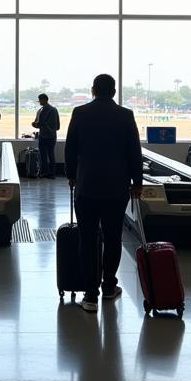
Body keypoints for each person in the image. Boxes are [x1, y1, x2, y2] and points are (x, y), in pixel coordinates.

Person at [64, 73, 144, 314]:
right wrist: (137, 182)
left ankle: (90, 294)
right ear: (114, 91)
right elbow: (134, 152)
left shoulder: (80, 113)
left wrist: (71, 176)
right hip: (116, 188)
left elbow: (70, 148)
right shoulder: (125, 115)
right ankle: (109, 284)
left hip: (87, 187)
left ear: (92, 90)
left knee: (87, 239)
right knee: (112, 237)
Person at [31, 93, 60, 178]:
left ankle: (45, 172)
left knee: (43, 155)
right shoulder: (54, 110)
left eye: (40, 100)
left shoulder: (41, 111)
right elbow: (57, 126)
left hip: (44, 136)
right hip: (52, 136)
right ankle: (52, 173)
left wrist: (35, 124)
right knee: (51, 154)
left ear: (44, 100)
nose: (39, 102)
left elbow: (39, 124)